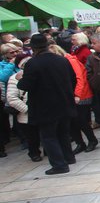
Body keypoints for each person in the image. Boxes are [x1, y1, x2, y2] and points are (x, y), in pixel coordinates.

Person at [17, 34, 77, 174]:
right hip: (64, 103)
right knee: (63, 133)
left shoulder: (33, 63)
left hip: (45, 107)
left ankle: (59, 164)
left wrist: (20, 79)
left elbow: (26, 85)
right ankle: (68, 157)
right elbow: (73, 79)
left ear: (33, 48)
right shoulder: (62, 60)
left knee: (48, 136)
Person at [49, 45, 98, 154]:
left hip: (81, 95)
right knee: (71, 121)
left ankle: (92, 140)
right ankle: (80, 143)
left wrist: (77, 95)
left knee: (81, 120)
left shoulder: (71, 61)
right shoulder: (62, 62)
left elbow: (80, 78)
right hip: (70, 95)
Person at [6, 55, 41, 162]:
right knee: (32, 136)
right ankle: (34, 153)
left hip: (41, 110)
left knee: (44, 133)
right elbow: (12, 98)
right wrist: (27, 109)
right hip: (26, 113)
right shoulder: (14, 78)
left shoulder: (39, 74)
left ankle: (48, 151)